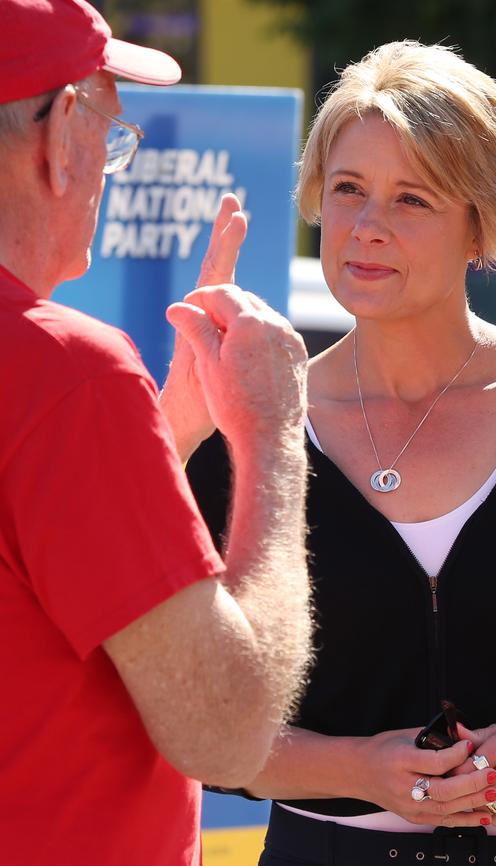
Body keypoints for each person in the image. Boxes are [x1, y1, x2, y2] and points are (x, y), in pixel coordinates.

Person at [186, 40, 496, 866]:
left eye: (413, 200)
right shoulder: (250, 421)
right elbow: (200, 711)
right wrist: (358, 768)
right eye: (350, 190)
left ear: (481, 221)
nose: (367, 228)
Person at [0, 1, 312, 864]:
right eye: (109, 123)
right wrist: (273, 438)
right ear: (62, 133)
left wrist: (165, 437)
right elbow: (228, 729)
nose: (112, 160)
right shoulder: (64, 371)